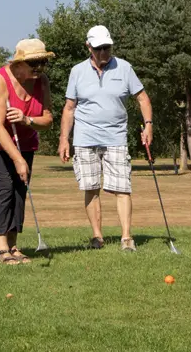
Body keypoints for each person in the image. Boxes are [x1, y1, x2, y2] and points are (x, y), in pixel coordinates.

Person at [58, 25, 153, 252]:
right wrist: (64, 139)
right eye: (99, 48)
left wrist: (148, 125)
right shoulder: (77, 71)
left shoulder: (124, 68)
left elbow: (142, 99)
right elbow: (69, 108)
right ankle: (97, 237)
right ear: (88, 47)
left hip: (116, 137)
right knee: (90, 187)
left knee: (123, 187)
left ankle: (127, 238)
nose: (104, 52)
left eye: (107, 47)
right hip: (85, 138)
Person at [0, 38, 55, 265]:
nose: (39, 69)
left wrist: (27, 120)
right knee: (3, 187)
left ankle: (14, 246)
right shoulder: (0, 80)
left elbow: (47, 120)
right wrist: (17, 159)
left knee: (19, 189)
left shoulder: (41, 81)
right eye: (33, 64)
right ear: (18, 64)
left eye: (42, 63)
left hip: (24, 140)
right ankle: (0, 248)